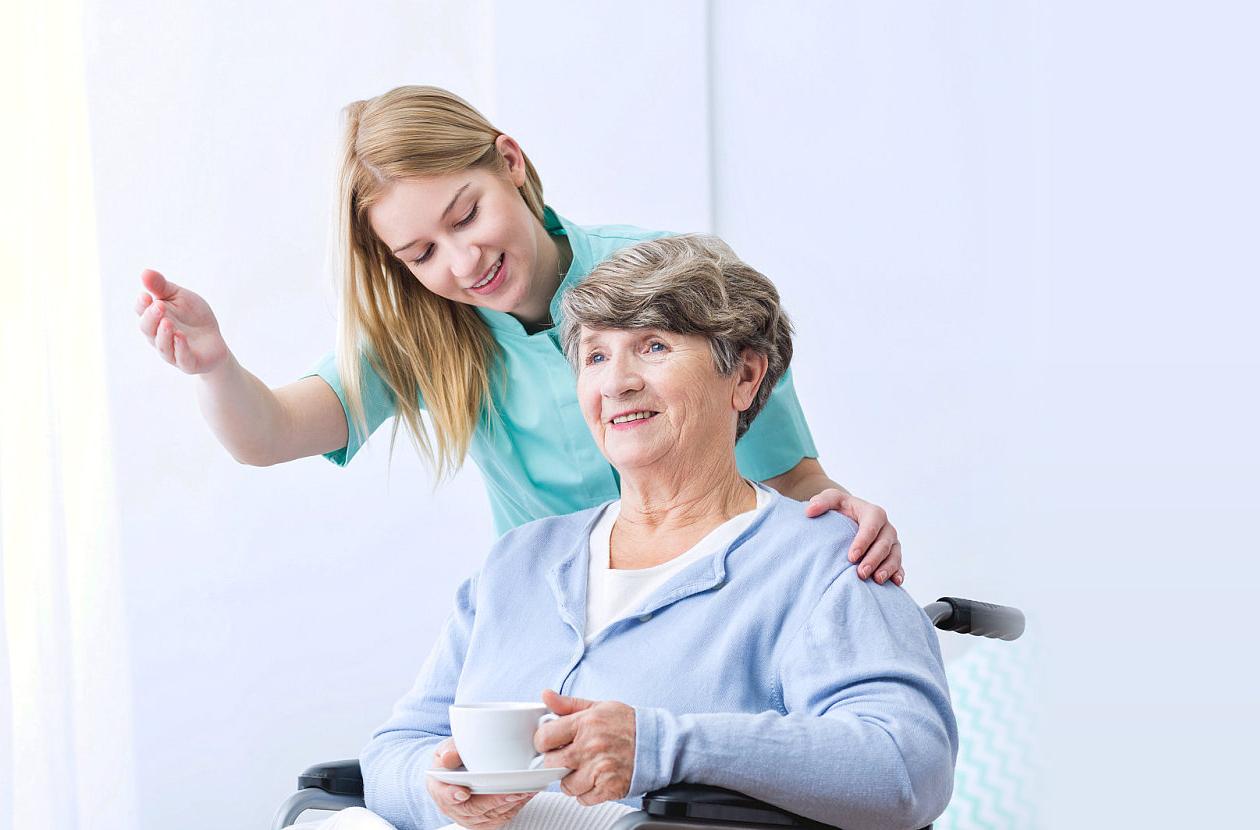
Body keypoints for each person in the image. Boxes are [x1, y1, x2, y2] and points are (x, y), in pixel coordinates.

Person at [135, 85, 905, 583]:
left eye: (466, 214)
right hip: (563, 618)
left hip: (718, 593)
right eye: (421, 254)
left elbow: (793, 478)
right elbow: (267, 433)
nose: (463, 262)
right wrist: (213, 367)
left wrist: (852, 520)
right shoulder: (429, 334)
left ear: (511, 162)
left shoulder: (675, 279)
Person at [357, 235, 955, 830]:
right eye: (595, 356)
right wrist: (437, 789)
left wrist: (659, 745)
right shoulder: (517, 562)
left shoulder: (826, 562)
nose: (617, 382)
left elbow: (909, 766)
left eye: (653, 346)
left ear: (744, 376)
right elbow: (397, 747)